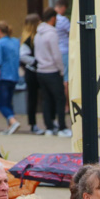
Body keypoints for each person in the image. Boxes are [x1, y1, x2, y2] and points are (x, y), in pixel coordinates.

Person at [34, 8, 69, 137]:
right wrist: (61, 69)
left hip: (41, 70)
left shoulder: (38, 33)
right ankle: (61, 127)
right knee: (60, 99)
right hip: (52, 70)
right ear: (53, 18)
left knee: (46, 99)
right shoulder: (52, 34)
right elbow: (56, 54)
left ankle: (49, 126)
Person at [19, 13, 44, 135]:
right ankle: (33, 124)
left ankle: (46, 123)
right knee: (33, 99)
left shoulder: (35, 37)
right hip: (32, 72)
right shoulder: (28, 39)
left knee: (41, 98)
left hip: (38, 70)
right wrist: (36, 61)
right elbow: (23, 56)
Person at [53, 0, 70, 105]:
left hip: (55, 51)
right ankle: (66, 104)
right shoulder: (63, 20)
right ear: (63, 7)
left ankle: (59, 104)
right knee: (66, 79)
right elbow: (72, 33)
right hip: (65, 50)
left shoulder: (50, 20)